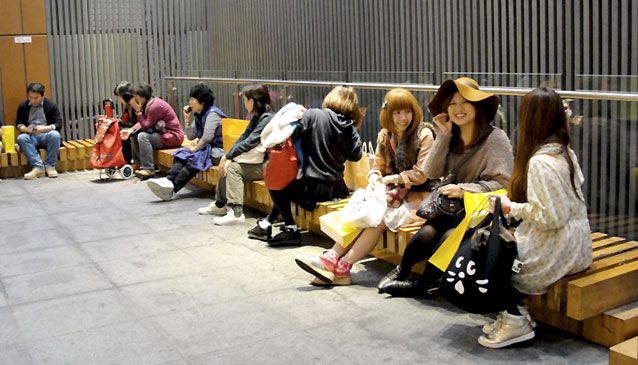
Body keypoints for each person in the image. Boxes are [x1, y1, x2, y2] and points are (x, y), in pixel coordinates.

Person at [378, 77, 514, 296]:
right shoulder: (452, 135)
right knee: (426, 233)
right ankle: (401, 271)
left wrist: (465, 190)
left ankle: (423, 284)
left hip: (481, 212)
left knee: (448, 236)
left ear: (477, 105)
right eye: (452, 104)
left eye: (465, 102)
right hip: (452, 208)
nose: (458, 109)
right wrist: (443, 134)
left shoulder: (496, 138)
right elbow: (431, 172)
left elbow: (502, 183)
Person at [478, 87, 592, 348]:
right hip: (578, 244)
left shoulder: (540, 161)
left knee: (492, 253)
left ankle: (515, 319)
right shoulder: (564, 152)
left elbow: (549, 217)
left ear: (528, 119)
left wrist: (510, 206)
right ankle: (515, 313)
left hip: (556, 247)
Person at [294, 88, 434, 284]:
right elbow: (377, 167)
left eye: (407, 111)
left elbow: (421, 174)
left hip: (420, 197)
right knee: (366, 212)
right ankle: (332, 263)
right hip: (393, 194)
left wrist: (390, 179)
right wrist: (375, 177)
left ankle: (341, 265)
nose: (403, 118)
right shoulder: (385, 136)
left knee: (378, 218)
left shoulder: (423, 133)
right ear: (388, 113)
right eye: (397, 112)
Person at [247, 85, 364, 246]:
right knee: (288, 185)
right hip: (336, 188)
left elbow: (293, 134)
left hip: (310, 188)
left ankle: (290, 228)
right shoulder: (349, 126)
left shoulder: (313, 115)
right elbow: (356, 155)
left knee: (277, 183)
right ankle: (266, 224)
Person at [197, 84, 274, 225]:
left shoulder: (267, 118)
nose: (244, 104)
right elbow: (243, 137)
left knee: (233, 168)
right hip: (257, 161)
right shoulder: (258, 115)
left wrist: (228, 157)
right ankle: (220, 205)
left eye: (245, 100)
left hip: (267, 166)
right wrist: (227, 156)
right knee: (226, 163)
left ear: (252, 101)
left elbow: (251, 141)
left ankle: (236, 213)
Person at [147, 84, 227, 201]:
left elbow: (207, 137)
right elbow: (190, 136)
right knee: (183, 152)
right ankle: (168, 180)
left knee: (194, 156)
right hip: (207, 149)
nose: (189, 102)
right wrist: (187, 119)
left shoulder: (213, 114)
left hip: (219, 151)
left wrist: (195, 148)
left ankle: (172, 187)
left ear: (202, 101)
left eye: (192, 99)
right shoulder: (200, 114)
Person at [120, 83, 184, 179]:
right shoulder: (149, 103)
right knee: (134, 135)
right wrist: (130, 130)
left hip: (173, 136)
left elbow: (146, 125)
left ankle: (149, 169)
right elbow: (144, 121)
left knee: (142, 136)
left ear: (141, 97)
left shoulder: (155, 106)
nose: (134, 100)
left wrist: (137, 110)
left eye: (135, 97)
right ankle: (138, 163)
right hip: (165, 135)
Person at [15, 82, 62, 180]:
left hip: (45, 134)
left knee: (55, 135)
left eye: (36, 98)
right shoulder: (23, 106)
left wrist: (45, 128)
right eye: (30, 97)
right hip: (31, 136)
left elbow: (58, 124)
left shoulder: (50, 105)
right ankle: (38, 167)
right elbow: (18, 123)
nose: (33, 100)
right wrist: (26, 129)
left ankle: (50, 166)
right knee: (21, 138)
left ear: (43, 95)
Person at [112, 81, 137, 163]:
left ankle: (127, 161)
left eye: (119, 96)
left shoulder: (134, 103)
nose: (119, 99)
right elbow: (125, 119)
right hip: (135, 127)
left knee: (124, 133)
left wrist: (119, 122)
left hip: (139, 128)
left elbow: (134, 123)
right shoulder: (128, 105)